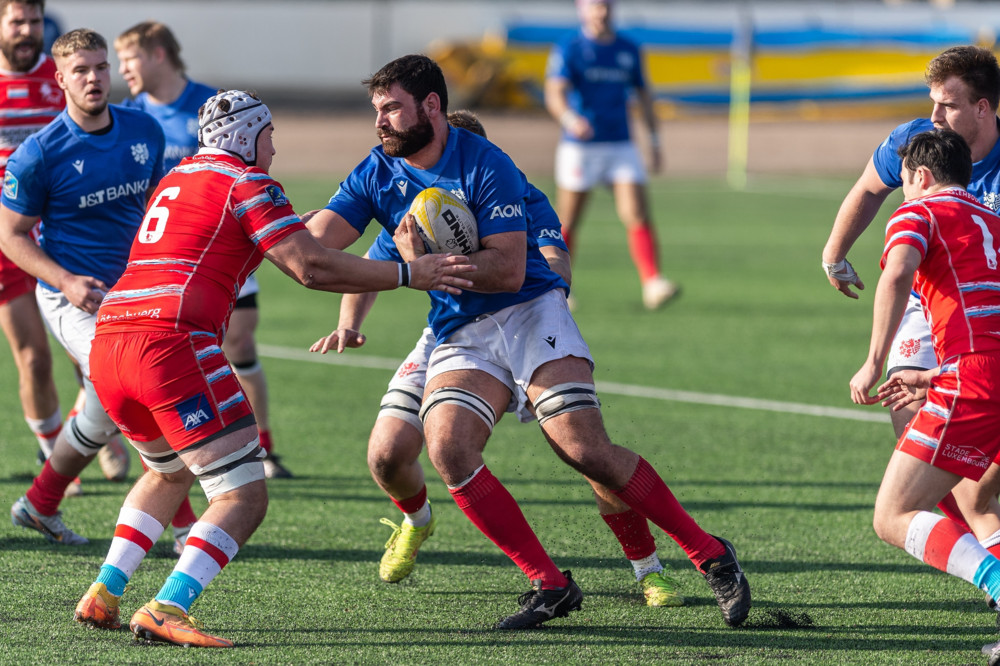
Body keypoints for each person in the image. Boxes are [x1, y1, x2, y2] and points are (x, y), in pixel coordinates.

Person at [307, 54, 750, 630]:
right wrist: (272, 232)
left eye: (391, 108)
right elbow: (318, 247)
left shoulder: (488, 164)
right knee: (446, 447)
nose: (380, 122)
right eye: (377, 110)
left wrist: (427, 266)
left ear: (431, 106)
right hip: (458, 328)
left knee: (583, 448)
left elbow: (511, 271)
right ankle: (549, 585)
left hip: (528, 311)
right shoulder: (376, 172)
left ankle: (710, 556)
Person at [69, 89, 474, 648]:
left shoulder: (180, 177)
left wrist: (291, 227)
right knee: (243, 494)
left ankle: (104, 591)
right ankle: (168, 607)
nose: (275, 148)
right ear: (245, 137)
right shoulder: (248, 183)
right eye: (269, 135)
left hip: (113, 341)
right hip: (171, 345)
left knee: (167, 471)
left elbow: (209, 243)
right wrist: (411, 274)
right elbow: (310, 269)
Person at [824, 45, 1000, 550]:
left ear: (983, 108)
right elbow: (867, 189)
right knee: (912, 419)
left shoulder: (923, 201)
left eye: (947, 104)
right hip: (933, 298)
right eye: (932, 102)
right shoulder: (916, 142)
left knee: (965, 486)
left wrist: (872, 361)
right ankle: (977, 543)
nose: (933, 117)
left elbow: (896, 270)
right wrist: (834, 255)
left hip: (986, 308)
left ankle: (976, 548)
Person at [0, 28, 166, 545]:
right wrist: (65, 280)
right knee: (131, 388)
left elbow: (155, 206)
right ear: (60, 80)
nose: (93, 79)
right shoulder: (39, 154)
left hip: (134, 288)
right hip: (74, 295)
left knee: (101, 406)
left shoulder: (144, 131)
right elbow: (9, 234)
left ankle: (40, 502)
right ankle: (182, 525)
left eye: (100, 67)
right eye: (80, 71)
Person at [114, 21, 292, 481]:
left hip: (226, 238)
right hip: (165, 251)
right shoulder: (128, 116)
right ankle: (154, 449)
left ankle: (261, 445)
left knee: (238, 340)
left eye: (127, 58)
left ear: (156, 54)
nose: (120, 69)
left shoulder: (215, 106)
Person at [848, 128, 1000, 665]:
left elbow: (896, 275)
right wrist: (934, 378)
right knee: (977, 503)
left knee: (893, 515)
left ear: (921, 176)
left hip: (976, 382)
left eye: (906, 183)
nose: (903, 193)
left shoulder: (920, 211)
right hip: (981, 376)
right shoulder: (993, 220)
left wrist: (873, 361)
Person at [544, 0, 677, 311]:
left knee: (637, 212)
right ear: (581, 9)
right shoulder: (570, 47)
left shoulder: (628, 48)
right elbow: (554, 92)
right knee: (569, 219)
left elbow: (645, 97)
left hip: (620, 143)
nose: (601, 12)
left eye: (605, 6)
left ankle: (653, 282)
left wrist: (655, 142)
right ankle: (557, 286)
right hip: (580, 147)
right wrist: (570, 120)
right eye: (594, 6)